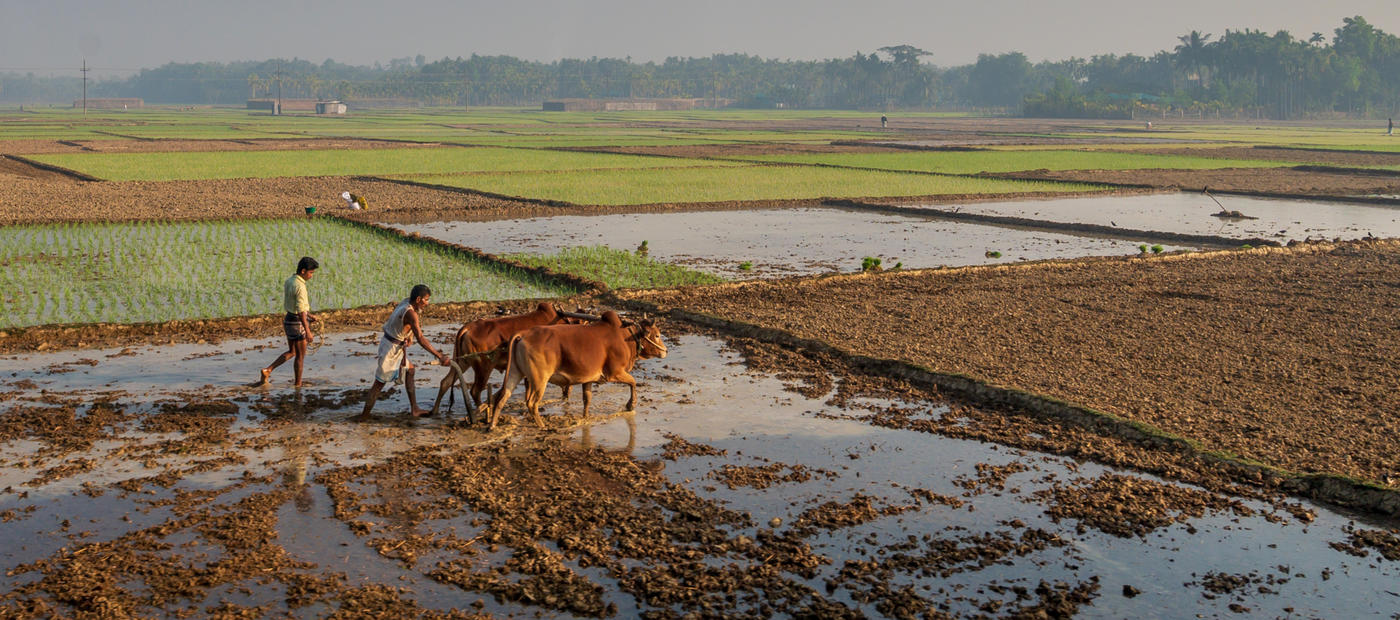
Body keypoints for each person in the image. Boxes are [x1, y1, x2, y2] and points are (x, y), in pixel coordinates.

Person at [353, 284, 450, 420]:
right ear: (418, 299)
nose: (427, 303)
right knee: (379, 384)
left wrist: (408, 335)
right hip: (391, 350)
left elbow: (403, 324)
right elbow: (421, 338)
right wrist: (439, 356)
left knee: (410, 371)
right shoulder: (410, 313)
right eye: (426, 300)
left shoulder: (406, 302)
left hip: (393, 345)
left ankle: (415, 408)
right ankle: (364, 416)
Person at [257, 257, 319, 387]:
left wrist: (310, 315)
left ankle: (268, 370)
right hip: (297, 323)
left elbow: (295, 304)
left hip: (288, 320)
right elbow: (301, 311)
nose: (311, 276)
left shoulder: (290, 281)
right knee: (300, 357)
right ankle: (298, 385)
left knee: (292, 351)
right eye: (311, 273)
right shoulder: (301, 287)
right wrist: (308, 331)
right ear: (303, 271)